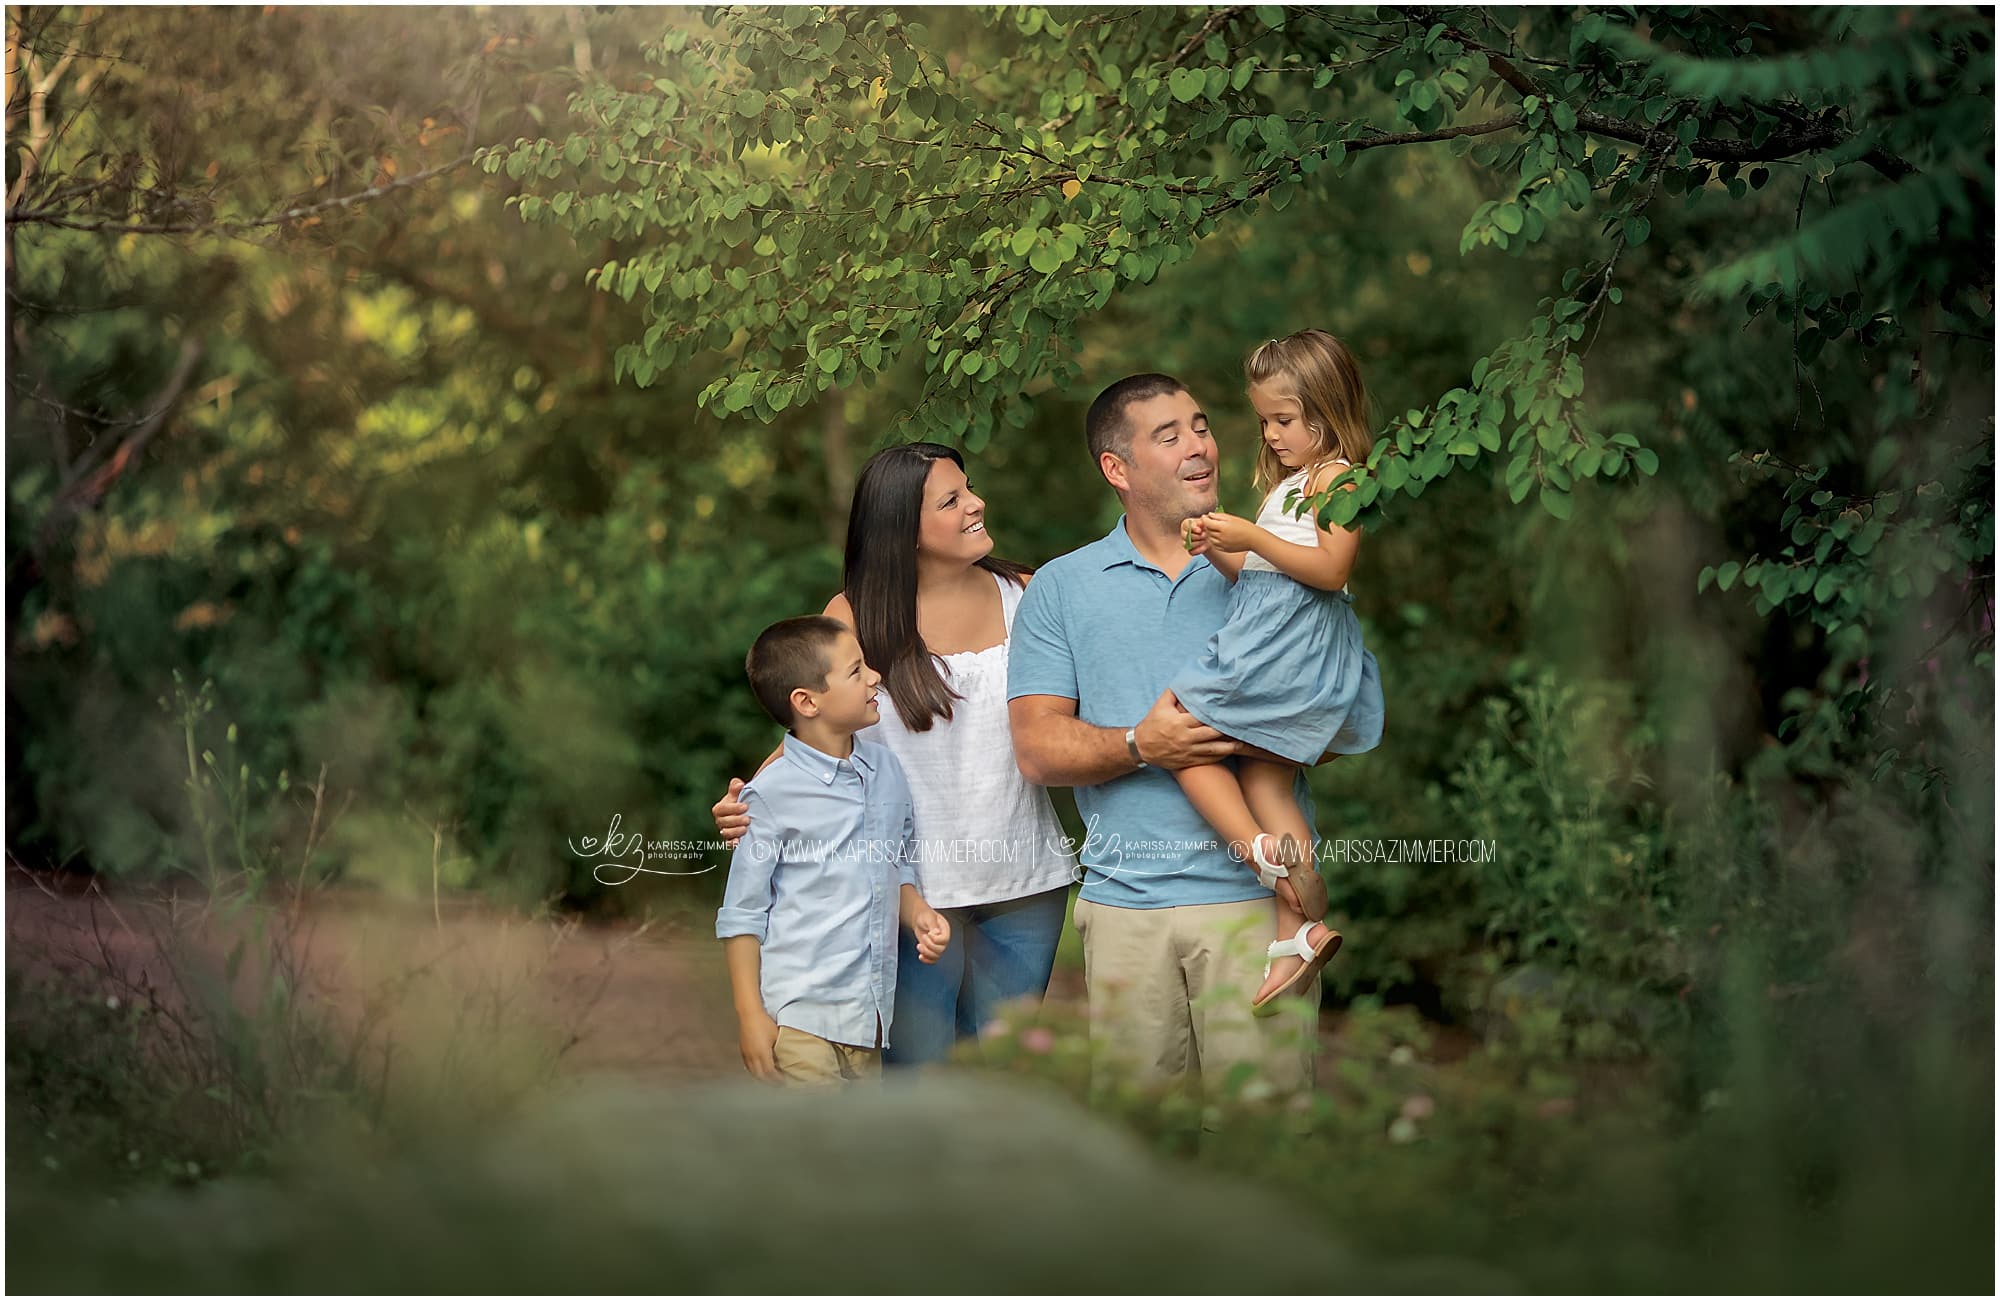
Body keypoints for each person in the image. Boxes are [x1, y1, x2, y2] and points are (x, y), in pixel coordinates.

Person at [1006, 370, 1347, 1102]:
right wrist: (1140, 742)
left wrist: (1247, 731)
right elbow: (1036, 750)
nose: (1199, 446)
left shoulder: (1274, 564)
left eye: (1200, 425)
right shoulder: (1061, 588)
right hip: (1127, 909)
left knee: (1264, 1145)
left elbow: (1339, 719)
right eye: (1169, 435)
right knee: (1142, 1154)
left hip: (1258, 910)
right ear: (1116, 468)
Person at [712, 445, 1077, 1067]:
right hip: (910, 891)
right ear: (902, 529)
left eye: (970, 489)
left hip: (1025, 885)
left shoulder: (1030, 594)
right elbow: (813, 730)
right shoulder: (855, 616)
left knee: (996, 1079)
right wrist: (752, 802)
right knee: (918, 1078)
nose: (976, 504)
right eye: (951, 500)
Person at [1173, 331, 1386, 1013]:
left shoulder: (1339, 478)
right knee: (1265, 777)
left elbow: (1331, 569)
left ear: (1327, 413)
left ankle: (1260, 853)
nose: (1270, 433)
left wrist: (1255, 535)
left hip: (1287, 657)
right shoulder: (1289, 485)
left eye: (1283, 420)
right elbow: (1263, 581)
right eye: (1265, 420)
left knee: (1175, 732)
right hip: (1272, 639)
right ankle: (1300, 923)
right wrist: (1217, 548)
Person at [716, 615, 953, 1087]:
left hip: (869, 1020)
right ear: (807, 702)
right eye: (856, 670)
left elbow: (894, 865)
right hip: (800, 1019)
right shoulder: (770, 794)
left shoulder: (886, 769)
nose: (875, 677)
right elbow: (743, 914)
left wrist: (919, 912)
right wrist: (749, 1016)